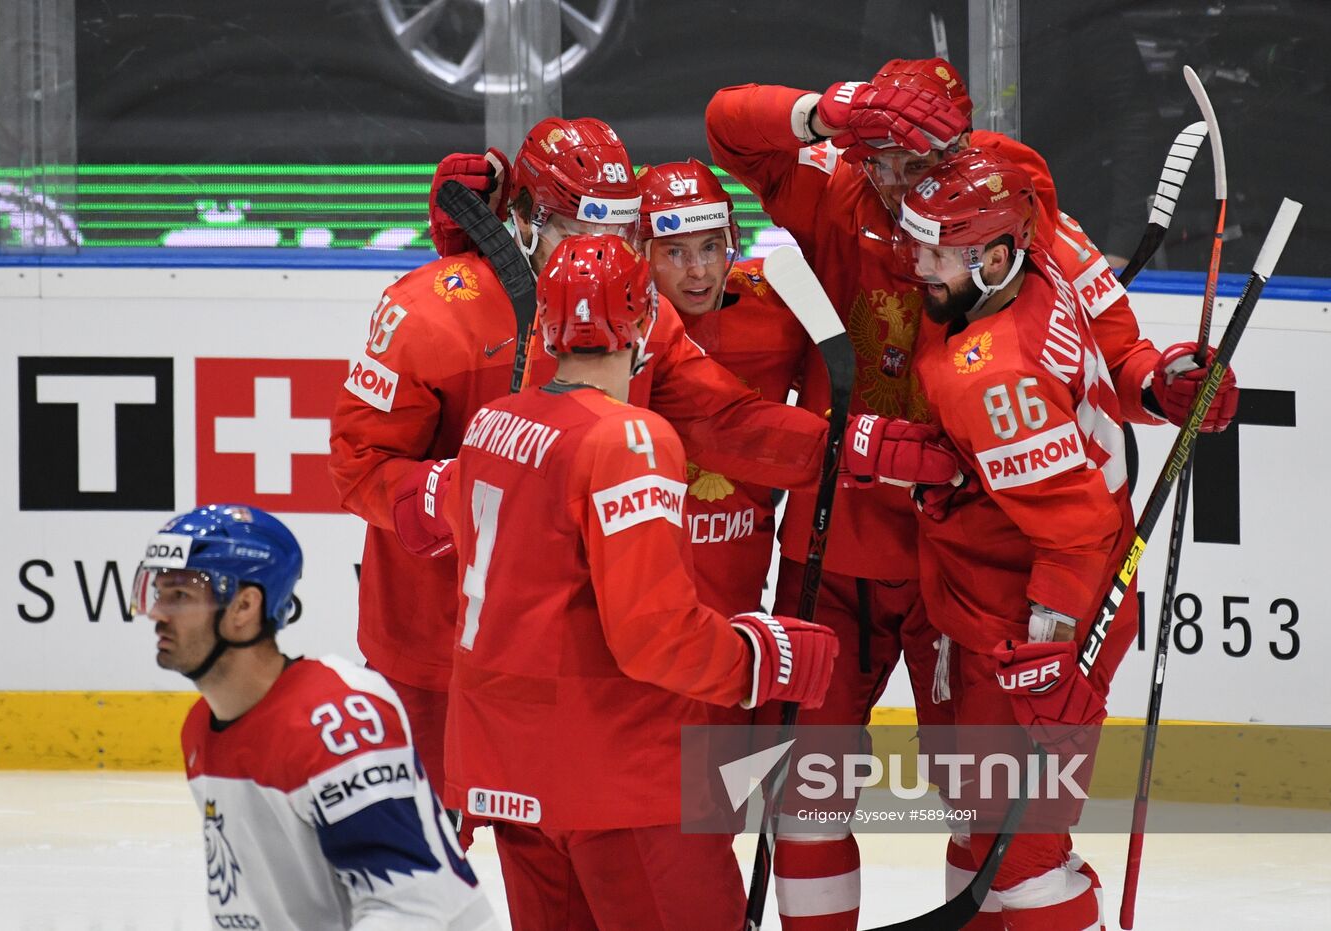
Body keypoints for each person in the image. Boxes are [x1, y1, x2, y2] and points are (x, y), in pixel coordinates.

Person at [706, 58, 1239, 929]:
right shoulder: (845, 181)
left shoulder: (1008, 199)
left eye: (915, 162)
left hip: (955, 570)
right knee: (807, 795)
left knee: (985, 813)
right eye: (878, 157)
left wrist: (1163, 385)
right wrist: (831, 110)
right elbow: (728, 122)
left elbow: (1116, 355)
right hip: (839, 545)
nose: (893, 182)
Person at [329, 116, 827, 808]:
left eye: (620, 233)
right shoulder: (431, 314)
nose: (600, 253)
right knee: (422, 882)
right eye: (578, 230)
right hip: (436, 646)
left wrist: (847, 456)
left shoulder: (641, 309)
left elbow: (722, 422)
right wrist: (462, 490)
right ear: (526, 217)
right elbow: (358, 467)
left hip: (567, 662)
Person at [441, 234, 839, 931]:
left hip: (507, 769)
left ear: (545, 323)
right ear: (642, 321)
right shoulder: (629, 439)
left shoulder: (489, 426)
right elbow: (656, 637)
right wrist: (762, 658)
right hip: (617, 778)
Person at [881, 149, 1139, 930]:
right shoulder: (1040, 235)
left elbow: (1080, 533)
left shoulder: (991, 376)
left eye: (936, 252)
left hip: (1036, 627)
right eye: (915, 240)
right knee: (975, 824)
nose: (915, 264)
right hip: (982, 605)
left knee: (1024, 861)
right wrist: (1154, 376)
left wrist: (1056, 647)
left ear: (994, 257)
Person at [132, 503, 497, 931]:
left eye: (180, 596)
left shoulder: (339, 722)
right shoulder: (201, 729)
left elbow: (410, 909)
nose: (156, 613)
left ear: (245, 606)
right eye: (158, 593)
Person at [636, 158, 812, 617]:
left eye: (711, 247)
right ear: (641, 252)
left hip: (739, 573)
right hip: (641, 578)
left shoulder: (776, 305)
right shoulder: (612, 324)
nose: (698, 270)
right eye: (675, 252)